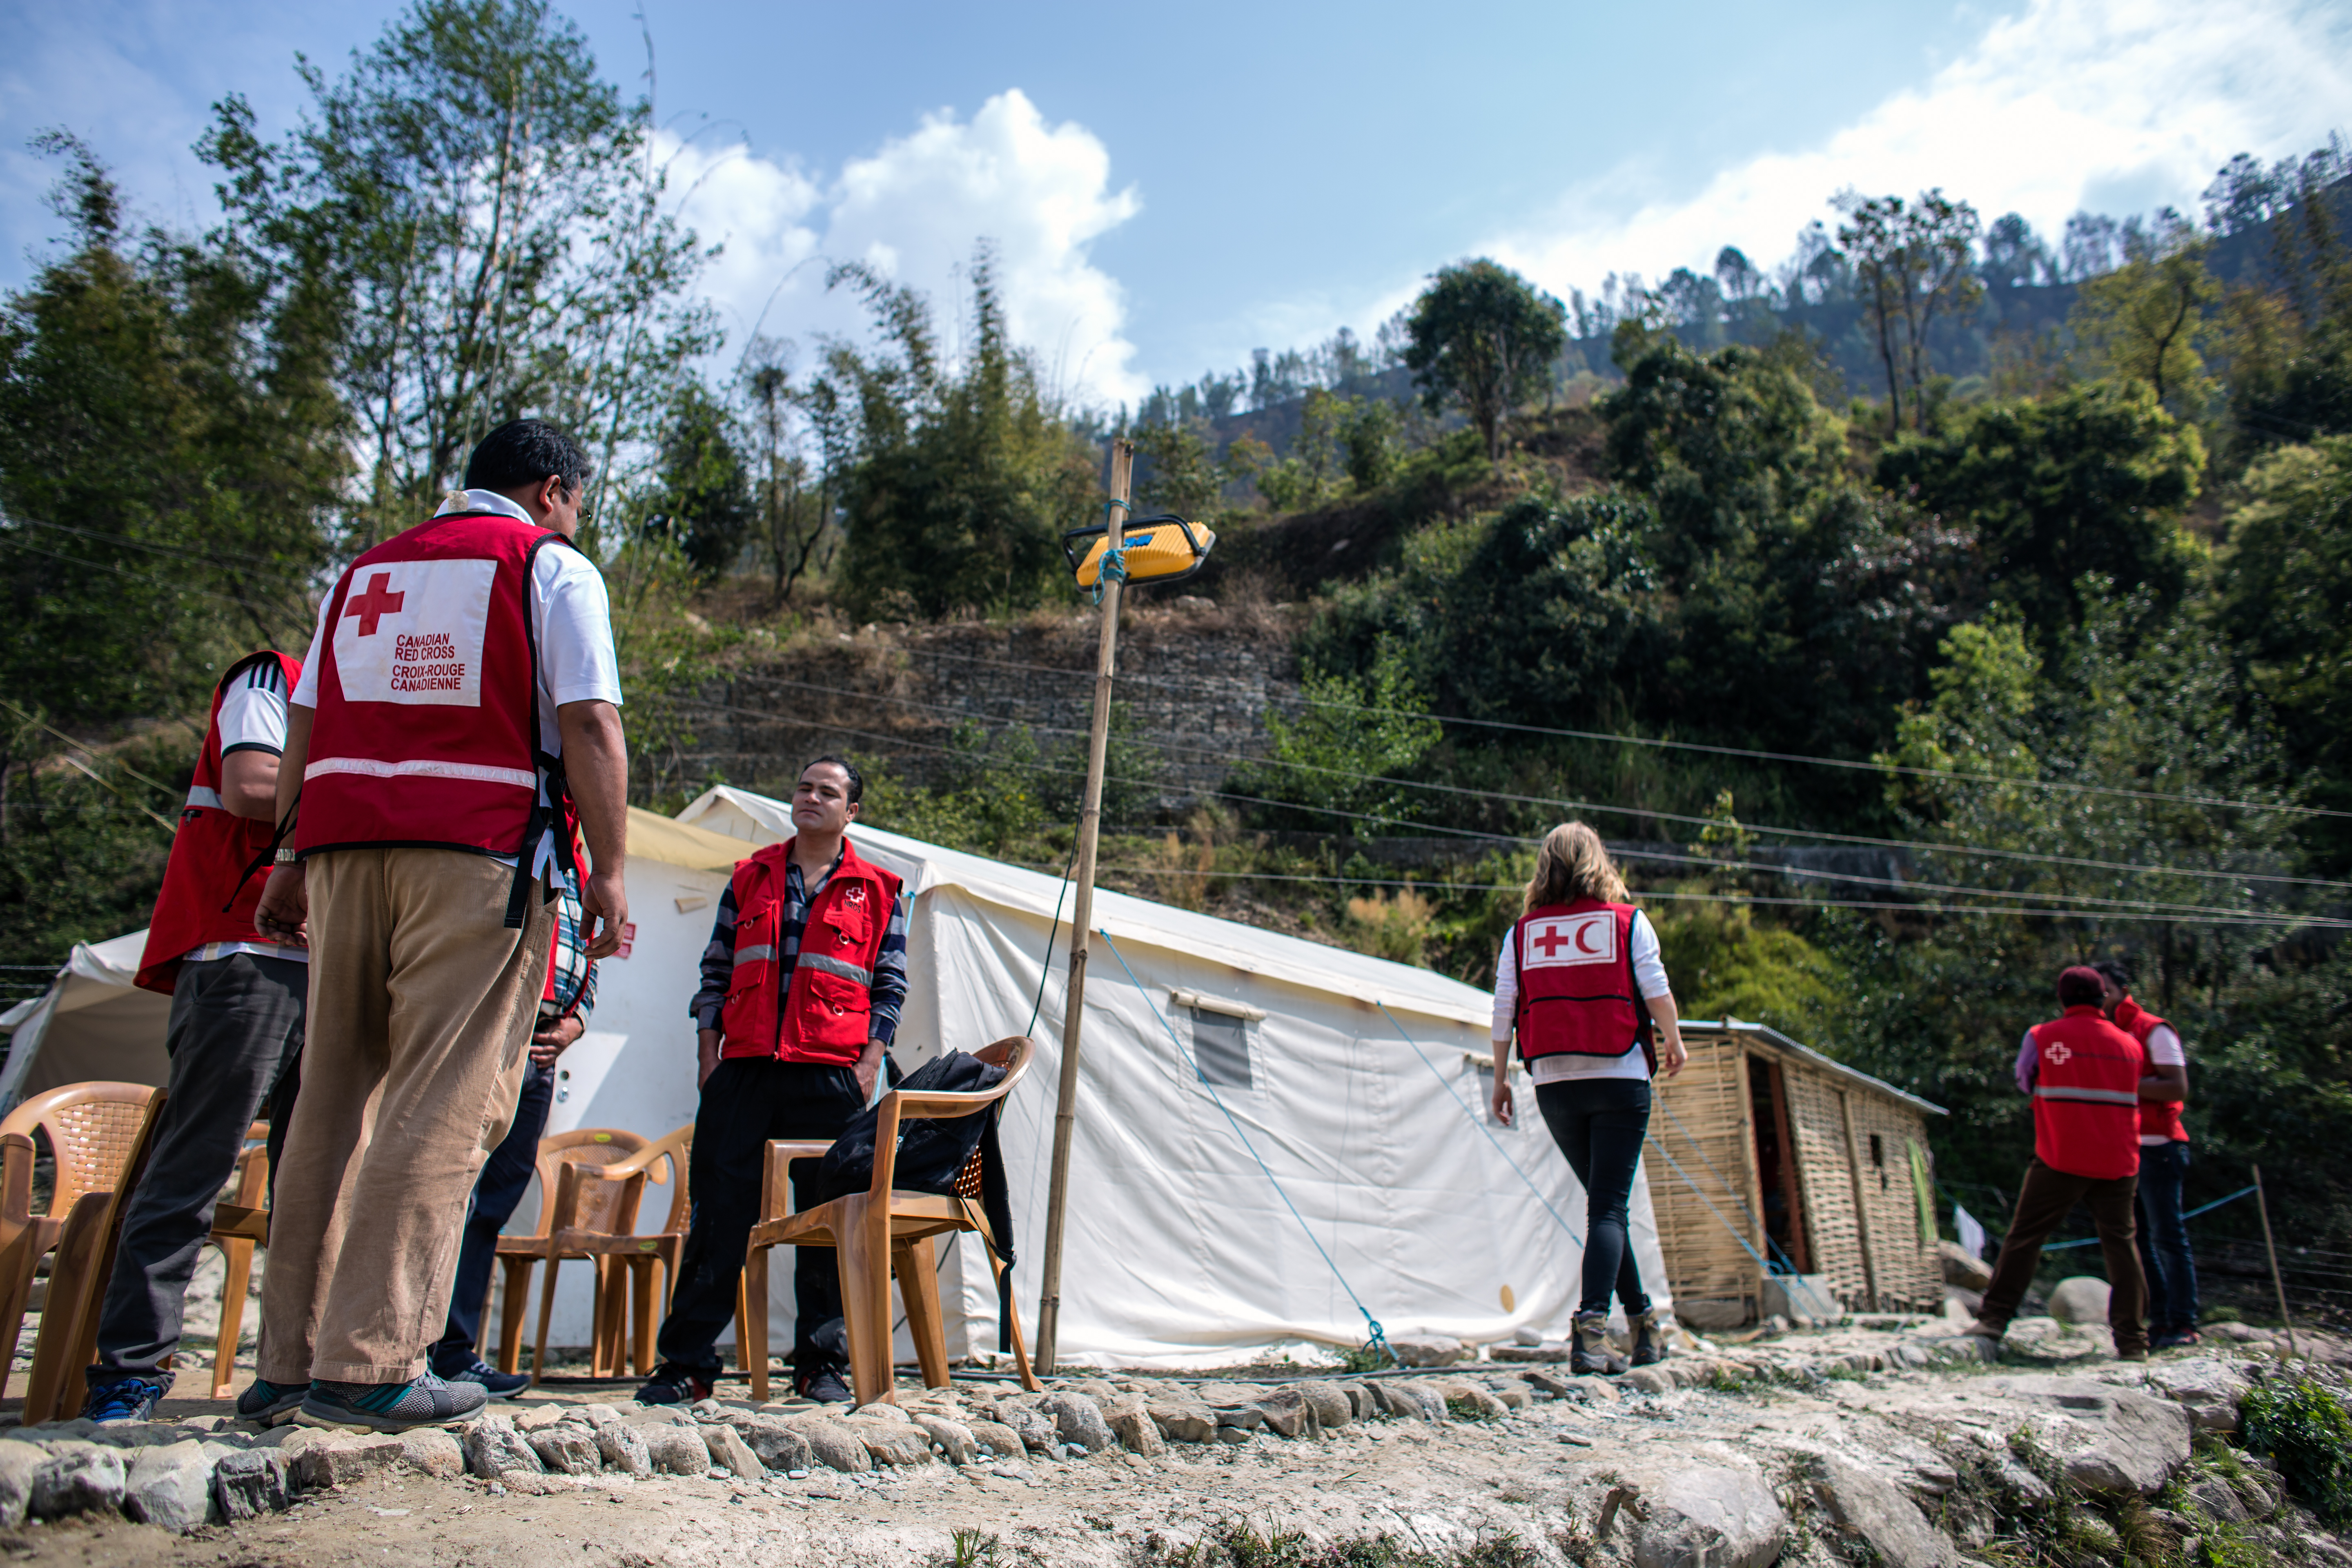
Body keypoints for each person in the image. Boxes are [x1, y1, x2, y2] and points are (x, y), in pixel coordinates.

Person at [246, 419, 628, 1432]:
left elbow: (309, 722)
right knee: (445, 1099)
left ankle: (287, 1359)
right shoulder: (549, 566)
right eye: (577, 501)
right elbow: (588, 719)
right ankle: (372, 1357)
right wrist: (611, 870)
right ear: (552, 489)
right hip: (477, 847)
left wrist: (286, 859)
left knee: (329, 1100)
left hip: (338, 851)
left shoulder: (363, 571)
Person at [633, 756, 908, 1406]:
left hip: (831, 1078)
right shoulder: (750, 877)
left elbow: (890, 988)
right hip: (744, 1073)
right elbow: (715, 971)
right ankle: (686, 1366)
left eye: (829, 791)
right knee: (717, 1219)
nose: (811, 797)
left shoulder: (880, 890)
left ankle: (820, 1365)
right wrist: (709, 1053)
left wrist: (869, 1066)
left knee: (824, 1224)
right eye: (804, 786)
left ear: (852, 812)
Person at [81, 652, 308, 1425]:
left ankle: (293, 1377)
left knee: (314, 1189)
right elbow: (250, 786)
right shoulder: (275, 676)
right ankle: (130, 1375)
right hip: (244, 955)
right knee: (193, 1171)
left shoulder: (364, 710)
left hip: (330, 970)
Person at [1488, 822, 1688, 1376]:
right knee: (1608, 1209)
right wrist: (1673, 1039)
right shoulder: (1628, 923)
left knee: (1607, 1209)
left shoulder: (1522, 933)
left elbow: (1505, 1006)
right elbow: (1655, 987)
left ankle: (1644, 1325)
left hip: (1552, 1081)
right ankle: (1592, 1332)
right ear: (1598, 863)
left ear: (1544, 866)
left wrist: (1501, 1078)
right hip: (1619, 1071)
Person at [428, 869, 601, 1395]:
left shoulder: (584, 862)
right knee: (446, 1190)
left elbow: (588, 957)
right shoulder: (516, 832)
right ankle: (410, 1349)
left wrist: (578, 1020)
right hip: (485, 1031)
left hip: (543, 1048)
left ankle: (454, 1352)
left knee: (491, 1206)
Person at [1971, 966, 2151, 1361]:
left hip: (2061, 1155)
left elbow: (2025, 1079)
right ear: (2103, 998)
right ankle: (2133, 1342)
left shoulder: (2043, 1037)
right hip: (2118, 1160)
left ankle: (1994, 1321)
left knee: (2025, 1238)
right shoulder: (2130, 1044)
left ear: (2062, 999)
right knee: (2121, 1245)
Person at [2098, 959, 2197, 1349]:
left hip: (2161, 1148)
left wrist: (2124, 1084)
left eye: (2106, 987)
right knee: (2138, 1242)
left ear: (2123, 989)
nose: (2101, 995)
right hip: (2124, 1150)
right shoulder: (2105, 1034)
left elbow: (2177, 1086)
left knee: (2169, 1237)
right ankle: (2158, 1322)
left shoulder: (2154, 1030)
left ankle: (2184, 1322)